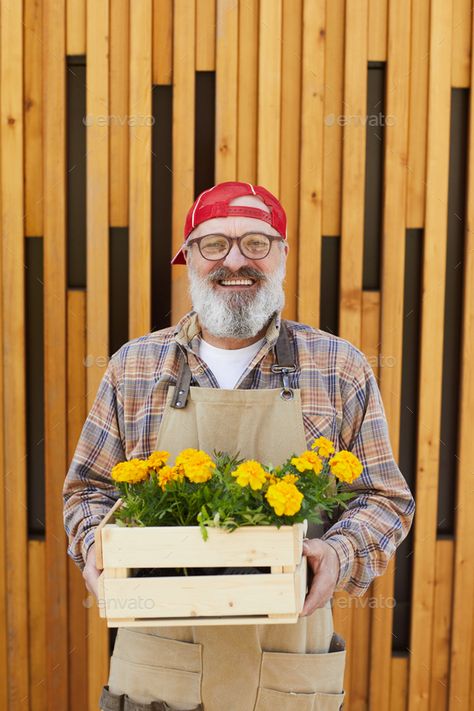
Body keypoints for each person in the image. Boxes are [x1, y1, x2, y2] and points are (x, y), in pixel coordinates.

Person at [63, 181, 415, 711]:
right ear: (188, 258)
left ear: (282, 256)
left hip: (287, 672)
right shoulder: (133, 366)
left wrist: (338, 556)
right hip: (159, 673)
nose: (235, 261)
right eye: (214, 244)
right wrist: (95, 548)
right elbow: (87, 490)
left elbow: (385, 499)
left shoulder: (339, 366)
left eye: (256, 243)